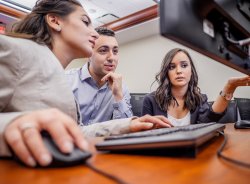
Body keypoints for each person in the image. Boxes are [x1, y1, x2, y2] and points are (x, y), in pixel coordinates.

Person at [0, 0, 172, 167]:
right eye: (85, 22)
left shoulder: (57, 74)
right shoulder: (13, 49)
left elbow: (77, 131)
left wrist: (129, 124)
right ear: (54, 20)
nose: (95, 34)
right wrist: (12, 125)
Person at [142, 48, 250, 126]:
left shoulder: (200, 99)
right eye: (172, 67)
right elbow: (145, 137)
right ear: (166, 72)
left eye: (184, 65)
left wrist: (230, 86)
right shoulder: (150, 100)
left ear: (191, 71)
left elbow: (209, 119)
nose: (179, 71)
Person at [65, 27, 132, 125]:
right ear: (87, 54)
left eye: (115, 51)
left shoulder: (121, 88)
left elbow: (127, 127)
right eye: (103, 50)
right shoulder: (66, 80)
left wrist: (118, 96)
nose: (111, 57)